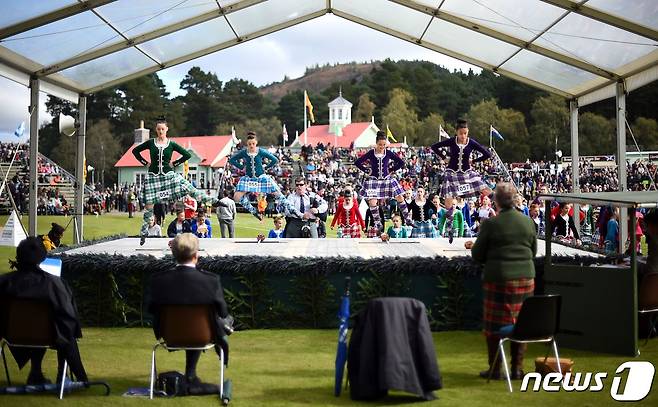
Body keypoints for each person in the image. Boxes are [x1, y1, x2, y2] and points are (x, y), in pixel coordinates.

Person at [464, 182, 536, 381]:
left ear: (496, 202)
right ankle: (517, 369)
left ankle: (495, 370)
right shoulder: (528, 222)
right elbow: (533, 251)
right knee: (520, 323)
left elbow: (478, 255)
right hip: (525, 280)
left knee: (494, 325)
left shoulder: (491, 224)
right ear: (514, 201)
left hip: (498, 280)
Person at [0, 237, 88, 384]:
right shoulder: (55, 284)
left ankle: (36, 373)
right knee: (63, 328)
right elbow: (68, 317)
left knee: (38, 324)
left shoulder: (4, 282)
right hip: (47, 335)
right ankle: (64, 376)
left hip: (11, 334)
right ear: (42, 256)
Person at [148, 233, 231, 387]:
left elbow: (151, 309)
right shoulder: (210, 280)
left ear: (173, 254)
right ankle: (192, 372)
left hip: (169, 335)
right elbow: (223, 312)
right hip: (203, 335)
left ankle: (191, 372)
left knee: (196, 320)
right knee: (224, 320)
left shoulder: (159, 280)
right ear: (196, 254)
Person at [132, 117, 219, 245]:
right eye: (158, 129)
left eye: (163, 129)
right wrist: (146, 163)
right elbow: (135, 151)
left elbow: (187, 155)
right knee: (149, 206)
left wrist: (175, 163)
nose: (161, 131)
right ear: (156, 130)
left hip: (168, 174)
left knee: (188, 187)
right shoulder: (151, 143)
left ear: (166, 129)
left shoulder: (171, 144)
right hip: (153, 176)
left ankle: (211, 200)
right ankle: (144, 232)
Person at [227, 132, 293, 222]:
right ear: (247, 144)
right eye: (249, 144)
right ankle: (254, 211)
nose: (251, 145)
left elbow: (275, 159)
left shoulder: (261, 151)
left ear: (256, 143)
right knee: (237, 197)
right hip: (249, 178)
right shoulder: (244, 152)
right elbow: (232, 160)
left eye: (253, 143)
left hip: (261, 177)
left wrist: (266, 167)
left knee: (277, 192)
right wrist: (242, 167)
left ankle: (291, 208)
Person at [354, 131, 412, 228]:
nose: (382, 146)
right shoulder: (371, 153)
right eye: (380, 144)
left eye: (384, 144)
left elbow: (401, 162)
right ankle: (378, 223)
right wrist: (366, 170)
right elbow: (358, 162)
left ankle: (407, 218)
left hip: (386, 179)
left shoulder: (388, 153)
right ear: (376, 143)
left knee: (400, 197)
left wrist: (392, 169)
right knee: (372, 202)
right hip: (374, 180)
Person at [431, 119, 492, 199]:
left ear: (468, 132)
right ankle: (450, 211)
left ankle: (501, 206)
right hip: (451, 173)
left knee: (484, 188)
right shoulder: (452, 141)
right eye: (460, 133)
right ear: (457, 132)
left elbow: (487, 154)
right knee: (449, 196)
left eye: (465, 133)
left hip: (467, 173)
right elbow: (434, 147)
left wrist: (473, 161)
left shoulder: (471, 143)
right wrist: (444, 158)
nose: (463, 136)